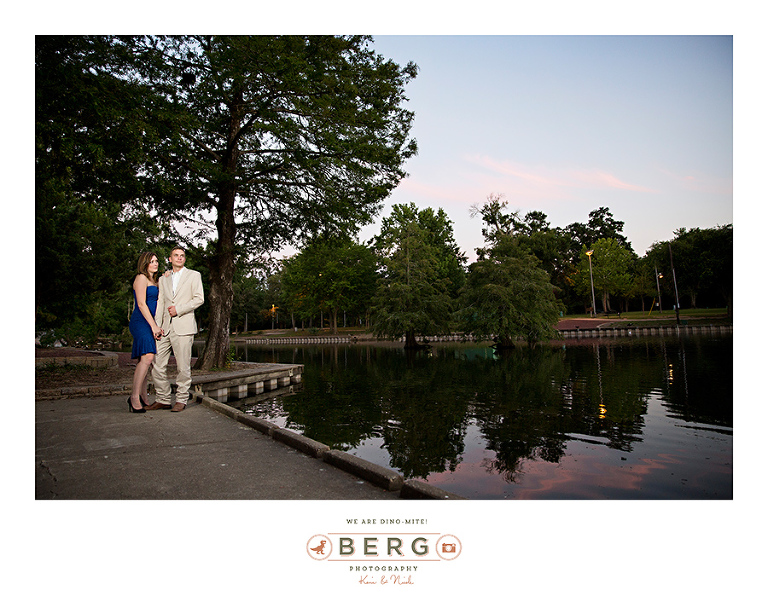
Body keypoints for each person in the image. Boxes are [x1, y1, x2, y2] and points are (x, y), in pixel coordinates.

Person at [146, 246, 204, 412]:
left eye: (182, 256)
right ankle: (163, 398)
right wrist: (156, 326)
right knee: (156, 364)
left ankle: (181, 399)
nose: (179, 258)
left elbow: (199, 299)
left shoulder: (194, 275)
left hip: (184, 327)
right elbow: (161, 304)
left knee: (183, 366)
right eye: (176, 255)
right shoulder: (164, 278)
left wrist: (179, 309)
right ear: (170, 259)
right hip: (165, 328)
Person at [127, 252, 163, 413]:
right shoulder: (140, 278)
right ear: (145, 263)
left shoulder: (155, 281)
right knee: (148, 357)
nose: (155, 264)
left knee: (146, 359)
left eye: (156, 261)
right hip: (141, 321)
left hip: (152, 322)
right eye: (151, 261)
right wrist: (154, 326)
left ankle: (143, 396)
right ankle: (134, 397)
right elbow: (141, 304)